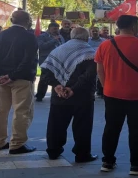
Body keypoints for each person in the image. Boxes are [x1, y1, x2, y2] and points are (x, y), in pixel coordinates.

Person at [96, 15, 138, 175]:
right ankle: (137, 165)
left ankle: (107, 162)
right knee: (137, 130)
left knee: (111, 128)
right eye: (137, 25)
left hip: (112, 93)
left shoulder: (105, 45)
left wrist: (106, 87)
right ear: (132, 26)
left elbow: (100, 71)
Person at [41, 27, 98, 163]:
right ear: (86, 37)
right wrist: (73, 89)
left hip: (59, 95)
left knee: (56, 124)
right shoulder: (89, 52)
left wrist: (57, 86)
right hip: (82, 96)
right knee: (82, 126)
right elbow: (89, 75)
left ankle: (53, 151)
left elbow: (46, 73)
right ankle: (82, 154)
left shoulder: (58, 50)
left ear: (72, 36)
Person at [0, 10, 39, 154]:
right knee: (22, 111)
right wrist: (12, 75)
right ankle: (17, 143)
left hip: (1, 79)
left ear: (12, 20)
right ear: (28, 21)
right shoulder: (29, 37)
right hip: (21, 79)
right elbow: (28, 60)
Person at [36, 21, 64, 101]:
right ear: (49, 29)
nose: (56, 30)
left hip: (58, 60)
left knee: (56, 78)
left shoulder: (60, 37)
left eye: (57, 29)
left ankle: (56, 94)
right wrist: (53, 40)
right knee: (44, 78)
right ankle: (40, 95)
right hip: (46, 60)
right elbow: (41, 46)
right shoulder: (42, 36)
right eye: (54, 29)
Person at [88, 27, 107, 97]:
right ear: (90, 32)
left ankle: (100, 91)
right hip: (90, 61)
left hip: (101, 61)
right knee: (91, 76)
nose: (95, 32)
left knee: (101, 75)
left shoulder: (104, 41)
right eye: (93, 31)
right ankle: (91, 91)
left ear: (99, 32)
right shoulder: (87, 41)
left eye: (96, 31)